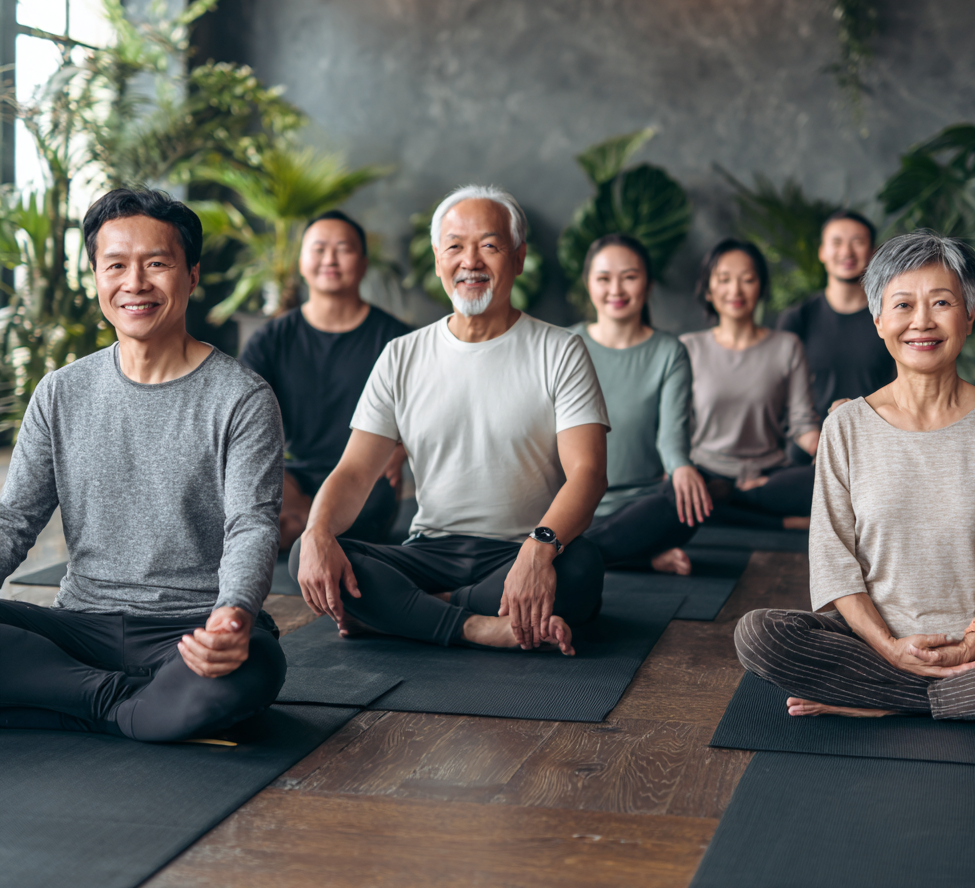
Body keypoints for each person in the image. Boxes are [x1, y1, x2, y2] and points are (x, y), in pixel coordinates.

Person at [0, 188, 286, 741]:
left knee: (255, 666)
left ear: (192, 275)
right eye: (116, 266)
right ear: (96, 277)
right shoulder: (61, 392)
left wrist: (232, 616)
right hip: (77, 626)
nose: (135, 283)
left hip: (189, 630)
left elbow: (251, 527)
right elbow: (13, 522)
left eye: (157, 264)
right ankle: (129, 710)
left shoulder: (242, 397)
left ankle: (67, 703)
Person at [291, 185, 608, 655]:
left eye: (490, 245)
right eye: (456, 246)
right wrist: (317, 533)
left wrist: (539, 550)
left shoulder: (560, 350)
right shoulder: (401, 355)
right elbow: (356, 472)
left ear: (518, 258)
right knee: (308, 549)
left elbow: (589, 473)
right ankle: (478, 625)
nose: (471, 261)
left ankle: (407, 614)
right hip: (428, 551)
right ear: (438, 258)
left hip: (520, 546)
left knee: (580, 568)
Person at [736, 230, 975, 721]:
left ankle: (880, 700)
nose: (922, 322)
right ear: (877, 321)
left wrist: (973, 640)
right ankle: (950, 697)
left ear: (969, 315)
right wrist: (889, 646)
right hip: (875, 638)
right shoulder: (846, 427)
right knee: (757, 633)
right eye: (903, 305)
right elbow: (833, 559)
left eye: (941, 302)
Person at [241, 210, 410, 549]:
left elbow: (433, 412)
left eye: (343, 249)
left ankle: (304, 532)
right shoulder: (272, 339)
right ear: (302, 262)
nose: (329, 259)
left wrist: (401, 449)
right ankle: (311, 533)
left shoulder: (398, 341)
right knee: (262, 502)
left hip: (365, 476)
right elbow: (242, 417)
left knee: (329, 522)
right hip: (294, 474)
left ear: (363, 263)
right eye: (318, 249)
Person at [571, 233, 711, 575]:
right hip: (570, 503)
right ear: (588, 284)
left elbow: (671, 438)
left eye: (629, 277)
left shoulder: (669, 352)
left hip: (639, 508)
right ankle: (631, 555)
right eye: (604, 278)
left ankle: (565, 557)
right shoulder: (564, 345)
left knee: (686, 502)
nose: (616, 290)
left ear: (647, 285)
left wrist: (681, 467)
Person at [680, 239, 820, 529]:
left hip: (770, 476)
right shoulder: (688, 348)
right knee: (677, 494)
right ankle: (783, 522)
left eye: (747, 279)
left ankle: (731, 505)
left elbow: (802, 423)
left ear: (761, 287)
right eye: (724, 279)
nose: (736, 290)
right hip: (706, 472)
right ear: (708, 289)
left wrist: (828, 450)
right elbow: (676, 426)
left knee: (830, 483)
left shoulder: (786, 346)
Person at [778, 210, 895, 428]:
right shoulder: (798, 318)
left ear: (873, 252)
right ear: (822, 252)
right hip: (811, 442)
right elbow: (779, 394)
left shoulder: (892, 316)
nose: (846, 251)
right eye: (837, 242)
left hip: (878, 438)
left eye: (857, 242)